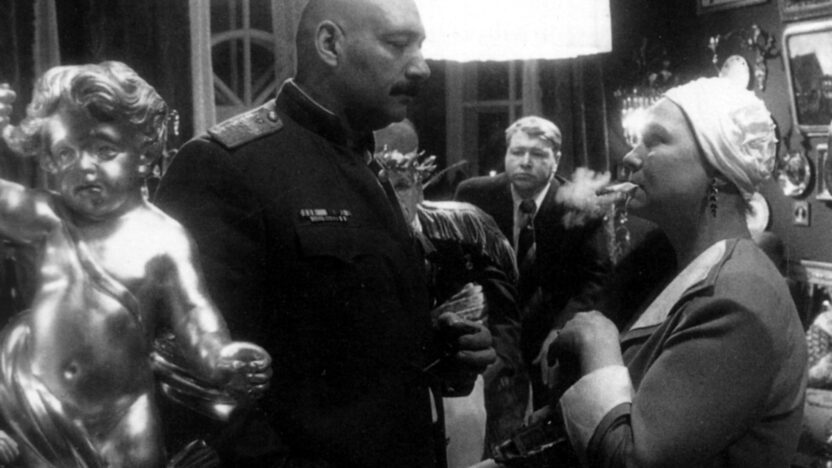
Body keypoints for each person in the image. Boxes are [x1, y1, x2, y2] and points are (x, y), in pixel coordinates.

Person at [153, 0, 495, 466]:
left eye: (420, 45)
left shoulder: (364, 162)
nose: (422, 67)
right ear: (330, 43)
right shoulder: (225, 166)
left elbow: (330, 342)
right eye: (398, 44)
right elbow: (191, 381)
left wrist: (440, 346)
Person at [0, 61, 271, 467]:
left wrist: (220, 357)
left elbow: (194, 313)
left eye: (104, 150)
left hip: (125, 418)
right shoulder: (50, 220)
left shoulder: (163, 238)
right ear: (50, 164)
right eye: (66, 153)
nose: (84, 166)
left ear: (143, 153)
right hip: (42, 411)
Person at [547, 77, 807, 467]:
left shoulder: (739, 299)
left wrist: (596, 340)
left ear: (719, 171)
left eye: (654, 141)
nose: (630, 157)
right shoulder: (681, 269)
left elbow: (632, 460)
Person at [375, 120, 524, 464]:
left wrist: (491, 367)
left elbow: (506, 311)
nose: (390, 201)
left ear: (418, 187)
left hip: (467, 395)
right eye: (379, 188)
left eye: (401, 186)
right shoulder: (353, 243)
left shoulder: (467, 228)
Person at [454, 116, 610, 410]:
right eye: (517, 152)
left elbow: (596, 279)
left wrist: (562, 329)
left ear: (556, 159)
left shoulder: (580, 203)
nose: (525, 162)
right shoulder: (474, 195)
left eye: (537, 154)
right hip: (489, 328)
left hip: (550, 331)